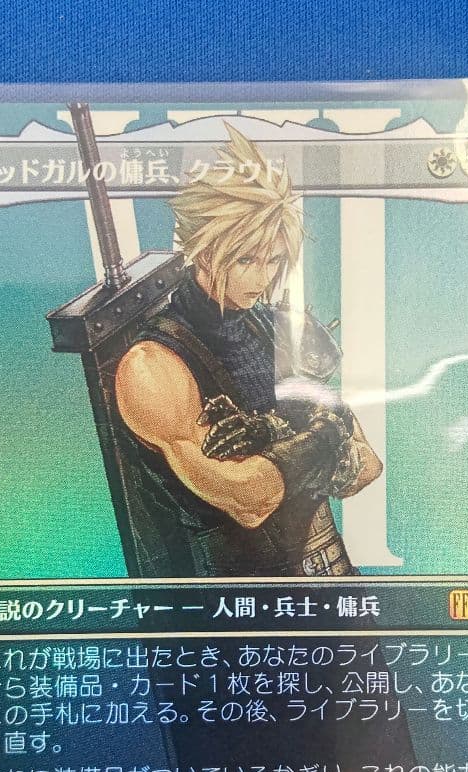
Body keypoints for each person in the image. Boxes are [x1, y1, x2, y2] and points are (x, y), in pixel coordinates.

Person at [113, 124, 382, 578]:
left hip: (332, 573)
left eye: (273, 260)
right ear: (204, 252)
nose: (262, 278)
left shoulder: (277, 328)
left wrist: (275, 436)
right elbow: (250, 499)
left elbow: (366, 468)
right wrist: (325, 430)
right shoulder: (152, 367)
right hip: (238, 595)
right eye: (245, 260)